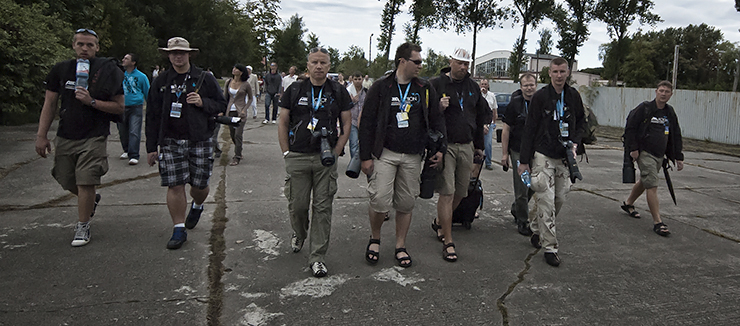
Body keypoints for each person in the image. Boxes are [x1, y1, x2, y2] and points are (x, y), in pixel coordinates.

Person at [35, 28, 124, 246]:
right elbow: (50, 103)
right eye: (81, 44)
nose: (85, 49)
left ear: (97, 47)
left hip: (94, 134)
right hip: (66, 133)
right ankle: (91, 200)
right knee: (64, 177)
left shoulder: (107, 70)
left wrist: (92, 101)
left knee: (86, 180)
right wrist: (41, 135)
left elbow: (120, 107)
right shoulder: (61, 70)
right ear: (73, 46)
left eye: (90, 45)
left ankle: (82, 225)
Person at [360, 42, 446, 268]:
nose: (420, 65)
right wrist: (365, 157)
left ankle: (400, 245)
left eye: (421, 62)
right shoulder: (381, 87)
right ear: (402, 61)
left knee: (406, 203)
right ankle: (375, 238)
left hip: (413, 156)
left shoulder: (424, 88)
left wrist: (439, 150)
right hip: (385, 154)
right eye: (416, 61)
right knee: (379, 200)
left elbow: (437, 120)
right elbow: (366, 123)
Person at [145, 37, 227, 250]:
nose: (178, 56)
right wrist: (151, 147)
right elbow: (152, 115)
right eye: (173, 53)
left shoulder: (204, 78)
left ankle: (198, 205)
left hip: (199, 139)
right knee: (175, 184)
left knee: (199, 185)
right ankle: (178, 228)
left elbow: (221, 104)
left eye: (182, 52)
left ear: (189, 54)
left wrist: (203, 103)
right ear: (168, 55)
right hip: (170, 140)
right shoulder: (161, 81)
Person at [278, 47, 351, 277]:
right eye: (314, 62)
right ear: (307, 65)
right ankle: (299, 233)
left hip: (325, 158)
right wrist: (286, 153)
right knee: (298, 206)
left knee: (322, 208)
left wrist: (339, 147)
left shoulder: (338, 91)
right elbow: (282, 121)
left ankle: (317, 257)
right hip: (298, 156)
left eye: (323, 63)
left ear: (329, 66)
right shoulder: (295, 89)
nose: (319, 66)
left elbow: (347, 122)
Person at [517, 57, 585, 267]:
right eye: (555, 72)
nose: (558, 75)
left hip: (564, 156)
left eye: (562, 71)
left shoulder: (573, 96)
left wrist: (575, 142)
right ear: (549, 73)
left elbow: (581, 122)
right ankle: (550, 248)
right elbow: (529, 128)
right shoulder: (540, 97)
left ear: (568, 73)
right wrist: (524, 161)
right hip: (542, 155)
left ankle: (537, 230)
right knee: (545, 201)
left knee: (560, 199)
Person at [430, 48, 492, 262]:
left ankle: (440, 221)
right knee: (446, 193)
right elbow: (424, 114)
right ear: (451, 62)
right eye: (460, 63)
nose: (464, 68)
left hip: (467, 145)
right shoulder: (436, 84)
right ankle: (448, 241)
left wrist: (479, 146)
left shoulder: (473, 87)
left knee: (462, 191)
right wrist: (438, 107)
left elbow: (481, 116)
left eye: (467, 64)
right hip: (446, 145)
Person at [621, 81, 684, 237]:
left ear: (671, 94)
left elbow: (675, 134)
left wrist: (678, 156)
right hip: (644, 153)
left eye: (667, 91)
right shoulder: (645, 108)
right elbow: (630, 128)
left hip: (659, 155)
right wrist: (634, 149)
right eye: (661, 90)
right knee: (652, 185)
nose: (663, 94)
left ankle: (628, 203)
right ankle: (658, 222)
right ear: (656, 91)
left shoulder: (669, 112)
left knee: (646, 181)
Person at [501, 73, 537, 236]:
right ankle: (523, 220)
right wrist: (504, 154)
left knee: (534, 185)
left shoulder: (540, 103)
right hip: (517, 150)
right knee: (522, 186)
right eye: (526, 85)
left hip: (536, 152)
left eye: (532, 85)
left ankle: (516, 208)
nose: (529, 88)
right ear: (521, 87)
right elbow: (506, 130)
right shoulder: (514, 104)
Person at [117, 53, 150, 165]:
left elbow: (147, 91)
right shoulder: (120, 75)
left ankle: (134, 154)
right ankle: (126, 149)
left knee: (134, 130)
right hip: (121, 106)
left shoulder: (141, 76)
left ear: (133, 62)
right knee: (122, 130)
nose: (123, 60)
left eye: (126, 58)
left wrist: (150, 106)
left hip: (136, 105)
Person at [223, 64, 254, 166]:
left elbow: (250, 98)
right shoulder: (228, 82)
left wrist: (245, 109)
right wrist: (222, 110)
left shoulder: (245, 84)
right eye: (234, 68)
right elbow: (225, 97)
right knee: (232, 134)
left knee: (238, 134)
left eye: (236, 69)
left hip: (240, 112)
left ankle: (236, 157)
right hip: (230, 112)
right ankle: (239, 150)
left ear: (241, 72)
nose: (234, 70)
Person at [347, 72, 367, 161]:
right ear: (352, 79)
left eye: (359, 79)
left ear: (362, 79)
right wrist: (352, 101)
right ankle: (354, 162)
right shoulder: (348, 91)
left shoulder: (366, 91)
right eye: (355, 79)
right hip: (352, 120)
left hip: (363, 120)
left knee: (363, 142)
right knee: (354, 142)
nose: (358, 81)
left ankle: (363, 160)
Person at [480, 78, 498, 170]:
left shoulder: (492, 96)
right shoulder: (477, 95)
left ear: (488, 85)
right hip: (479, 123)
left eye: (485, 84)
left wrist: (494, 122)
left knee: (488, 143)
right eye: (482, 84)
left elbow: (494, 109)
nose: (483, 86)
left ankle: (488, 162)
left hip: (489, 122)